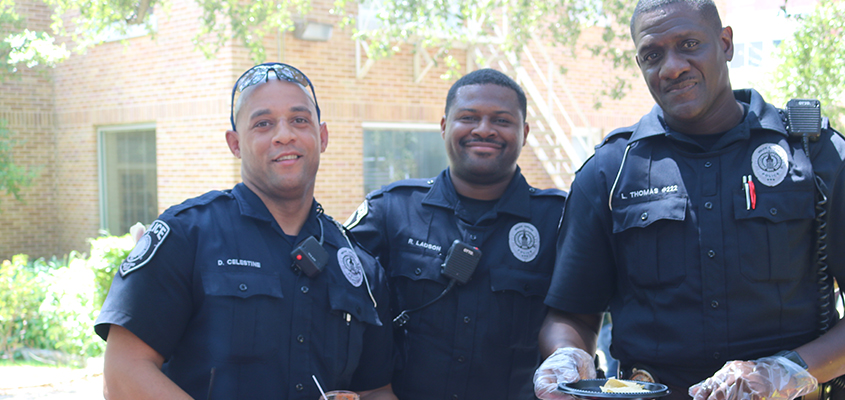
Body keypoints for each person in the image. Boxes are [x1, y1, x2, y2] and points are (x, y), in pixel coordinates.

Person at [533, 1, 845, 399]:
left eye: (689, 44)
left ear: (726, 43)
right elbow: (571, 311)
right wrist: (566, 355)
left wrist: (787, 371)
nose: (672, 66)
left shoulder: (815, 155)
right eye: (652, 54)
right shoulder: (609, 171)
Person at [95, 62, 397, 400]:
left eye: (299, 120)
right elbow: (123, 373)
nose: (285, 134)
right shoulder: (186, 234)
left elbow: (376, 391)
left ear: (322, 137)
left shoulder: (360, 267)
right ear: (235, 144)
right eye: (263, 123)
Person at [345, 68, 566, 400]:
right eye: (469, 117)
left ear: (525, 133)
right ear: (445, 126)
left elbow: (581, 315)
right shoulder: (390, 211)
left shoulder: (559, 219)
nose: (484, 129)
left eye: (502, 120)